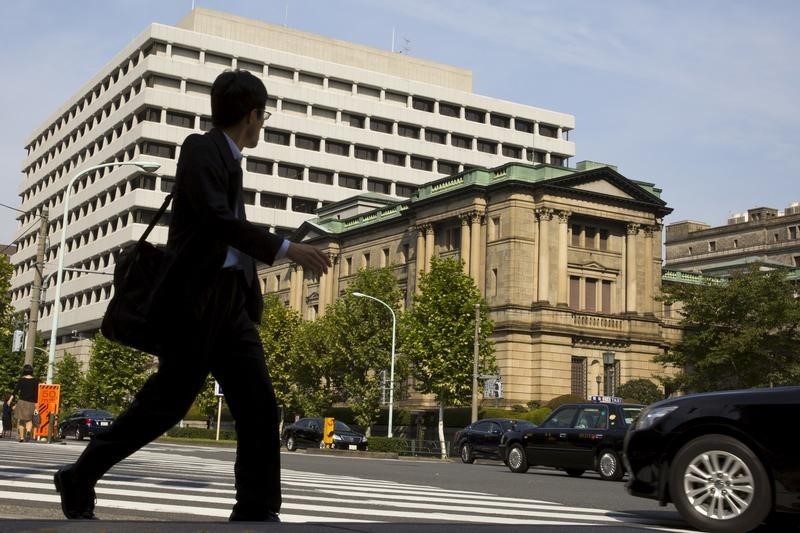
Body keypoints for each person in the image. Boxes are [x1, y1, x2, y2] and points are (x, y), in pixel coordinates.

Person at [53, 69, 330, 521]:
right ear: (252, 115)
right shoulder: (200, 149)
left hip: (230, 305)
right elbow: (217, 220)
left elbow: (224, 231)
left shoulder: (230, 159)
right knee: (165, 406)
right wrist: (286, 248)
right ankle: (80, 475)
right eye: (264, 116)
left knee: (259, 406)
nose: (264, 124)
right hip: (195, 305)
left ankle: (256, 510)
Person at [11, 364, 39, 442]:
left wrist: (10, 400)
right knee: (29, 420)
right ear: (31, 371)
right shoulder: (36, 381)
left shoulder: (21, 380)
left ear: (24, 371)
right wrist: (36, 404)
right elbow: (36, 393)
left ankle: (22, 437)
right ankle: (28, 431)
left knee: (21, 420)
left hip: (21, 402)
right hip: (31, 403)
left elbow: (15, 391)